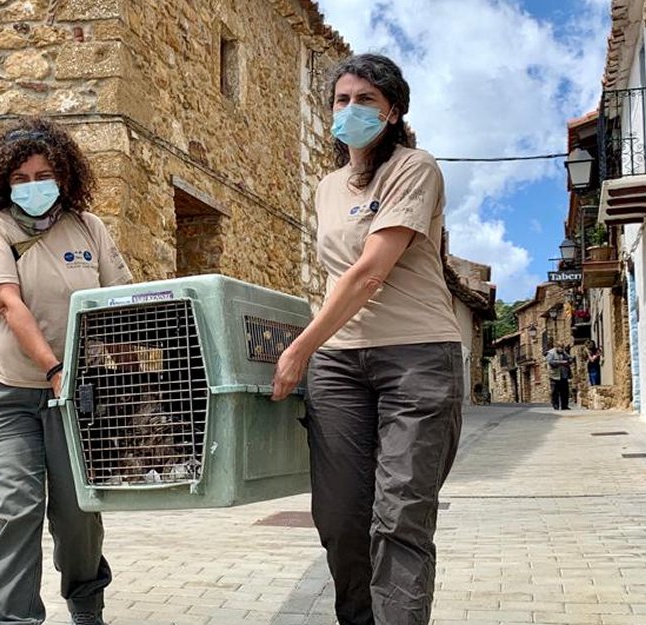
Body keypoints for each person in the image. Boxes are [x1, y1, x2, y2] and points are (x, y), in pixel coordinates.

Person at [269, 54, 463, 625]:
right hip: (339, 365)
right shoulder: (327, 187)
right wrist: (315, 347)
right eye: (341, 100)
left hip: (417, 357)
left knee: (399, 517)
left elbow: (370, 272)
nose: (350, 109)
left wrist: (299, 347)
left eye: (366, 100)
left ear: (393, 111)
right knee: (340, 519)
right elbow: (336, 275)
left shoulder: (415, 168)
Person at [0, 117, 133, 625]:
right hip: (8, 393)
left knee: (79, 515)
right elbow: (8, 304)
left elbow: (117, 308)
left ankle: (86, 605)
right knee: (18, 509)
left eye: (43, 176)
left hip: (76, 396)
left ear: (64, 175)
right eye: (20, 178)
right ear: (3, 182)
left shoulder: (88, 227)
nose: (32, 186)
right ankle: (12, 620)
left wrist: (140, 375)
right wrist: (55, 368)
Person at [545, 345, 571, 410]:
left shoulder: (564, 353)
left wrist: (569, 360)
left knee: (565, 391)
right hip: (554, 376)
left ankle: (564, 406)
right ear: (556, 347)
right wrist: (561, 362)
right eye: (560, 348)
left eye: (562, 348)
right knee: (554, 391)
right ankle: (556, 405)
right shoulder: (551, 353)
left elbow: (569, 358)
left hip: (563, 375)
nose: (561, 349)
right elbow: (550, 362)